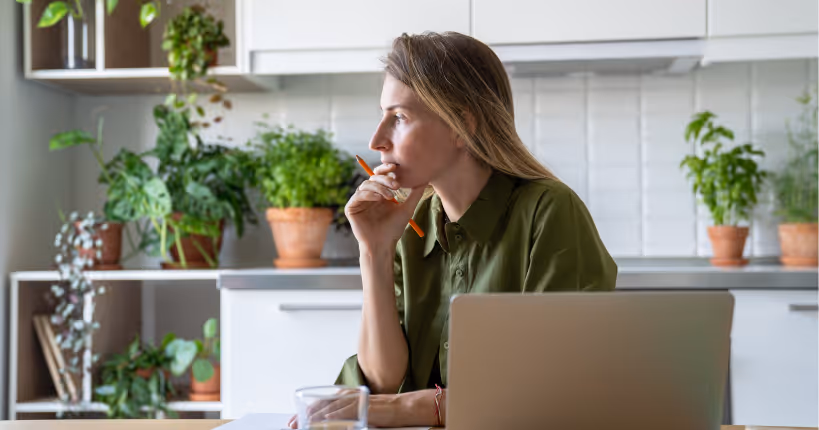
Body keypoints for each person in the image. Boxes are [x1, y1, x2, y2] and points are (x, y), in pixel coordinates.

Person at [288, 31, 617, 429]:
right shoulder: (407, 225)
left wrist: (414, 408)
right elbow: (381, 384)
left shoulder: (548, 211)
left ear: (461, 125)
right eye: (382, 115)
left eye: (400, 117)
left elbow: (557, 388)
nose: (377, 141)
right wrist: (373, 251)